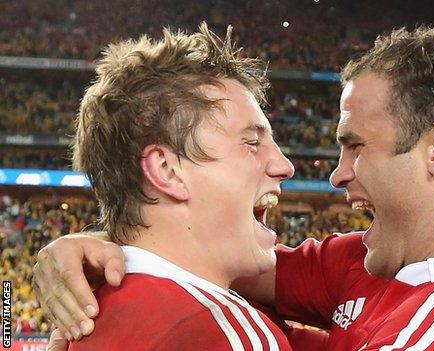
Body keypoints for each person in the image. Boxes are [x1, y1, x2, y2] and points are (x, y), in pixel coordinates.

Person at [35, 26, 434, 350]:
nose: (330, 173)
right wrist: (97, 245)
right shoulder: (360, 263)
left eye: (355, 145)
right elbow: (193, 255)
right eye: (253, 143)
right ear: (165, 170)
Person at [53, 23, 302, 350]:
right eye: (252, 142)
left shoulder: (83, 329)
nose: (285, 166)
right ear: (166, 170)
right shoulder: (223, 329)